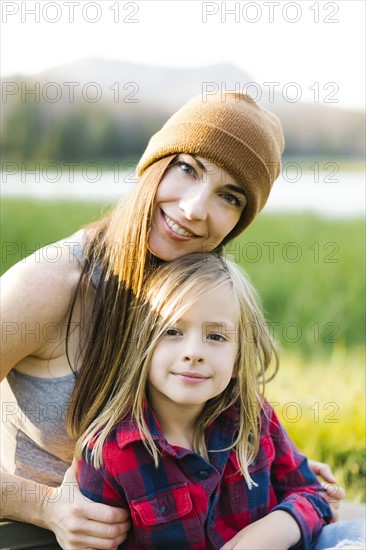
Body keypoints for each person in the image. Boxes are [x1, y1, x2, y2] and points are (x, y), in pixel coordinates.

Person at [0, 92, 346, 549]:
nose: (194, 208)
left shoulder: (193, 285)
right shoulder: (50, 283)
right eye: (187, 167)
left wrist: (279, 469)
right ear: (153, 163)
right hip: (38, 534)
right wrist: (42, 505)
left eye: (229, 195)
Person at [77, 253, 365, 550]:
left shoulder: (252, 416)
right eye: (172, 331)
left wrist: (278, 527)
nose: (193, 352)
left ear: (240, 358)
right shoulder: (110, 451)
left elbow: (314, 493)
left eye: (215, 336)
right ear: (141, 346)